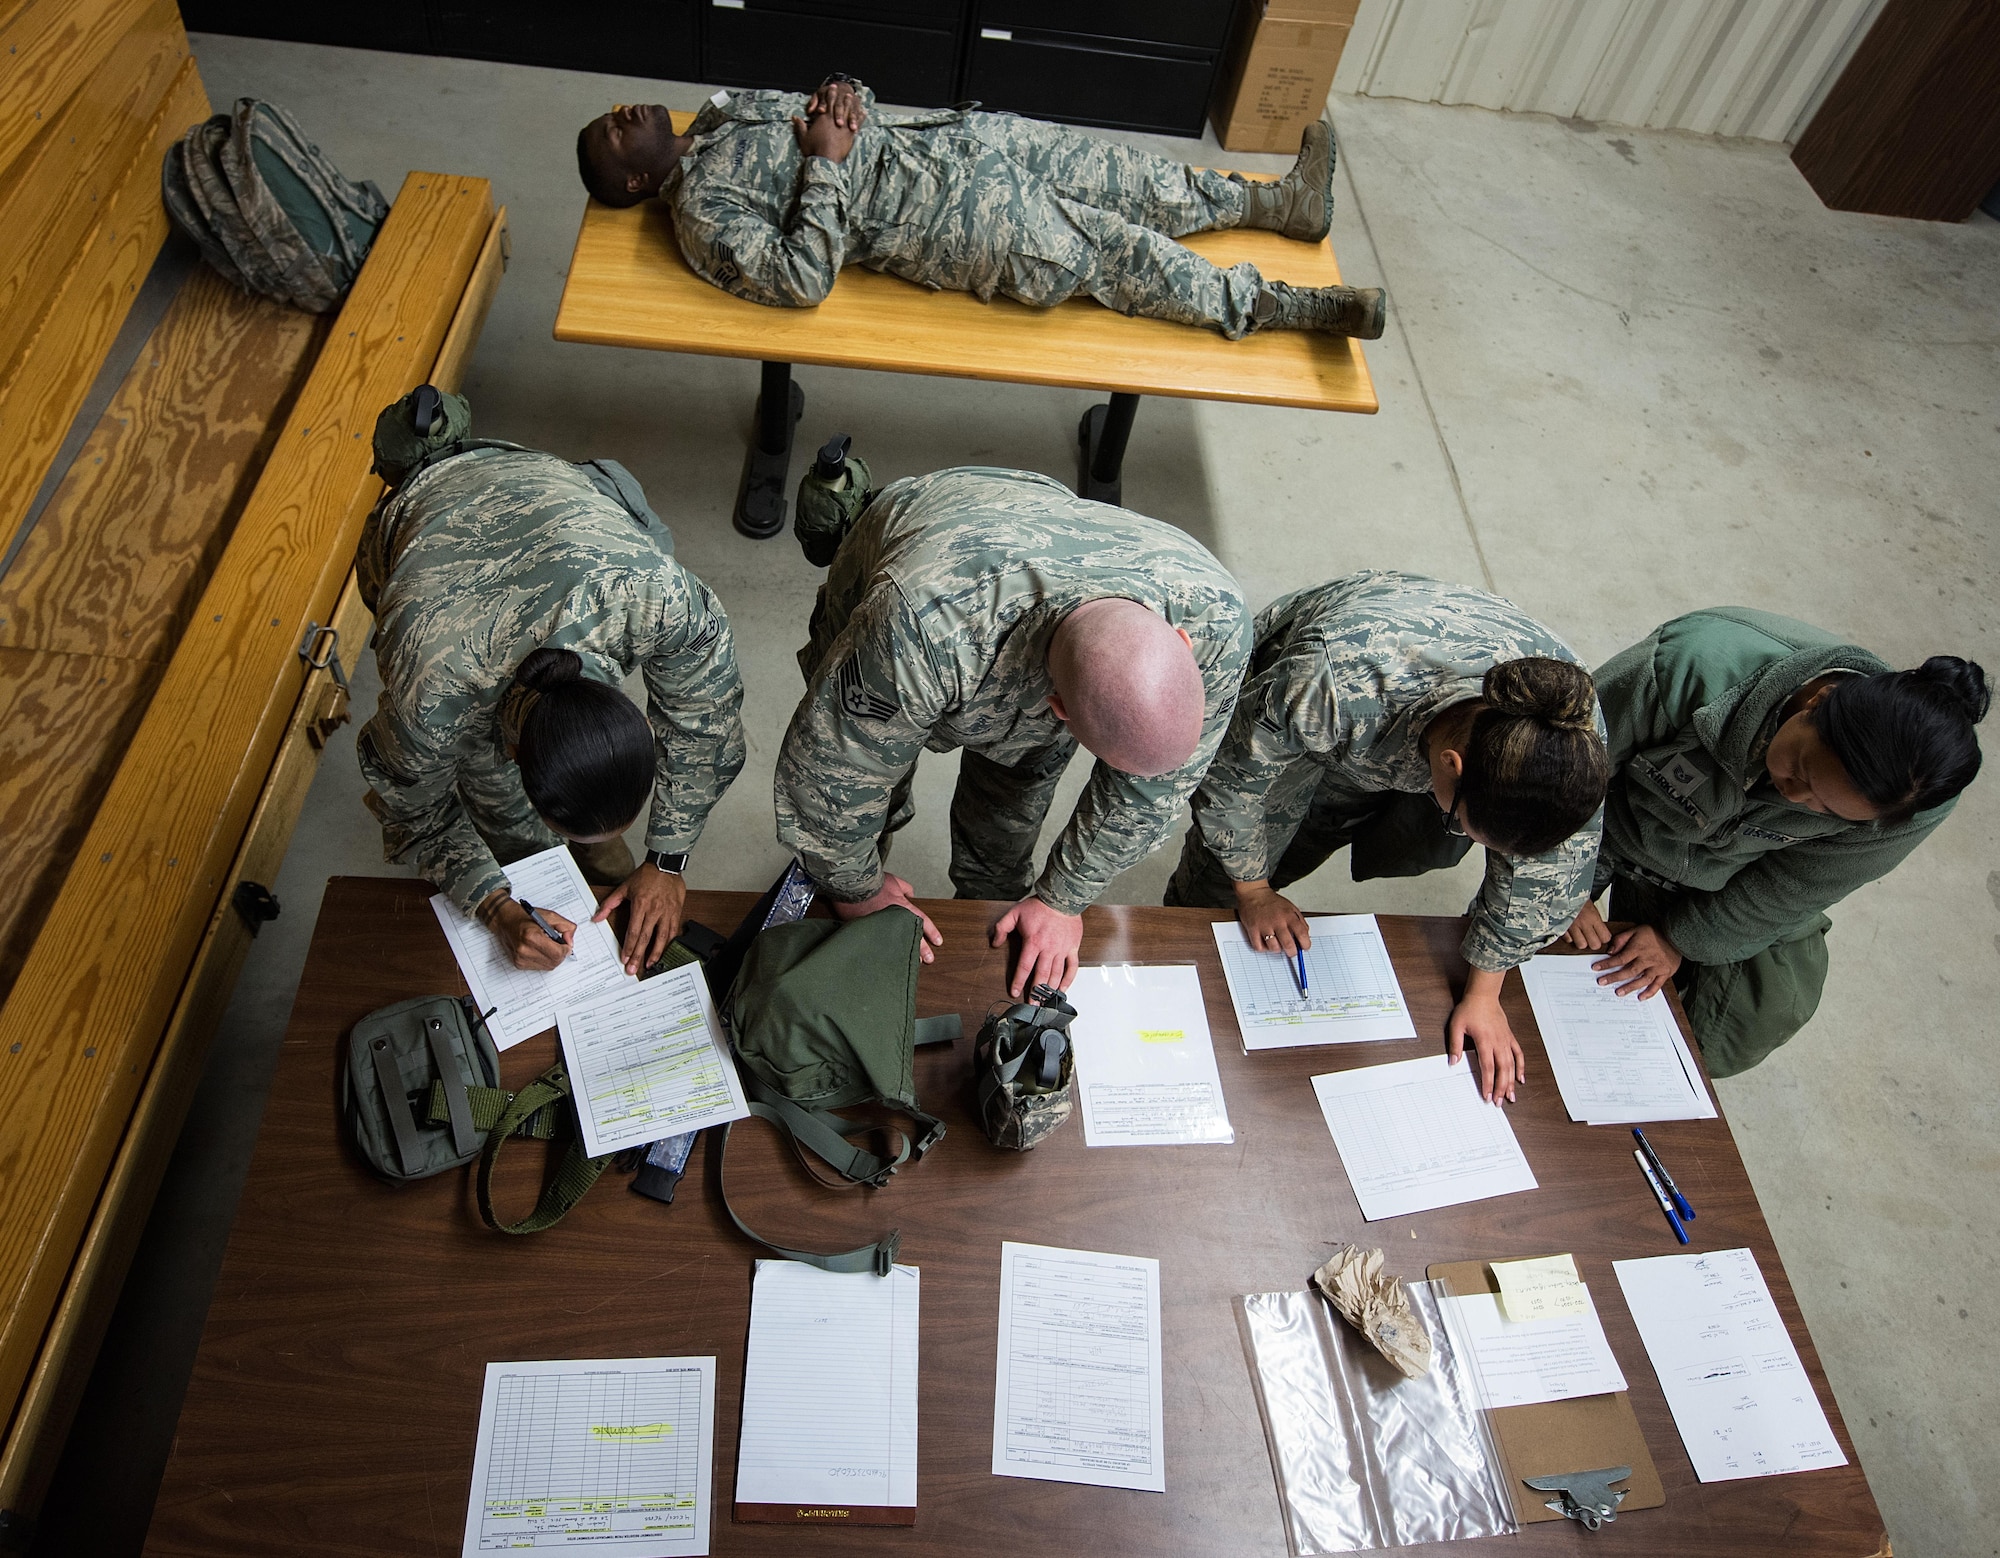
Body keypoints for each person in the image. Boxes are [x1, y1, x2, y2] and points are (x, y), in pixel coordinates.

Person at [775, 464, 1251, 997]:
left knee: (1014, 798)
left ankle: (988, 895)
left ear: (1185, 644)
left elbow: (1154, 790)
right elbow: (834, 774)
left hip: (1029, 578)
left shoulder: (1217, 618)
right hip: (927, 554)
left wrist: (1062, 900)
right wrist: (855, 890)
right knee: (875, 789)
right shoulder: (912, 629)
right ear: (1059, 709)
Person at [1165, 572, 1610, 1104]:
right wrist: (1255, 892)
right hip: (1318, 701)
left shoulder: (1563, 735)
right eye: (1466, 828)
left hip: (1410, 727)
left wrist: (1485, 993)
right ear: (1450, 767)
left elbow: (1544, 874)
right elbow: (1232, 783)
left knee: (1331, 820)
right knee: (1223, 882)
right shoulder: (1329, 686)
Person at [356, 387, 746, 976]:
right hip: (430, 526)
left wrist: (666, 861)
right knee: (508, 828)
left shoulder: (654, 596)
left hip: (550, 498)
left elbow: (704, 724)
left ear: (638, 720)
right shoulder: (432, 692)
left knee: (594, 813)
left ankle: (596, 851)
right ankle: (548, 860)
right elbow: (414, 810)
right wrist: (495, 905)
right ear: (513, 755)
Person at [576, 79, 1384, 340]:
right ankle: (1286, 308)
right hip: (952, 223)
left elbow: (841, 100)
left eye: (614, 115)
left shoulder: (718, 114)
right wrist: (825, 163)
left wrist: (842, 92)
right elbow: (798, 279)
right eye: (615, 138)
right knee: (1119, 254)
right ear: (633, 187)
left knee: (1130, 176)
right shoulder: (702, 216)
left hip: (961, 143)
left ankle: (1281, 204)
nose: (625, 117)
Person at [1561, 608, 1986, 1076]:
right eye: (1801, 770)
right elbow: (1557, 774)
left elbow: (1792, 888)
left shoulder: (1914, 798)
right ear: (1818, 700)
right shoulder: (1689, 668)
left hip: (1730, 875)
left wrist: (1674, 938)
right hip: (1609, 832)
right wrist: (1563, 886)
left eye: (1823, 810)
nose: (1795, 796)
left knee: (1750, 1021)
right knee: (1527, 936)